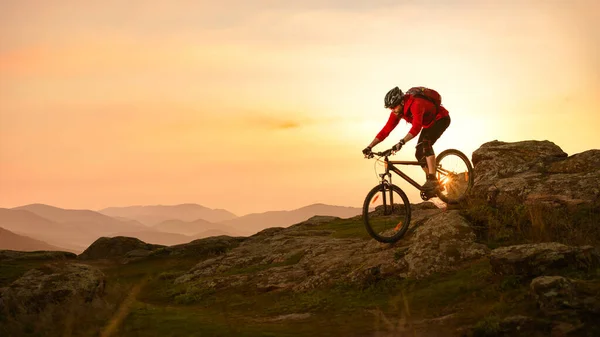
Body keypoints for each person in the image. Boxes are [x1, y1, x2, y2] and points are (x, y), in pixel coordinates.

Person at [362, 86, 451, 194]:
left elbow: (416, 127)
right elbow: (385, 131)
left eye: (394, 107)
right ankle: (433, 183)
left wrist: (402, 142)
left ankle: (432, 179)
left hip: (441, 119)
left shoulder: (416, 104)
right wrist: (370, 146)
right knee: (419, 153)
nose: (392, 110)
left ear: (402, 103)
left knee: (426, 143)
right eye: (390, 108)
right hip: (428, 124)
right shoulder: (397, 112)